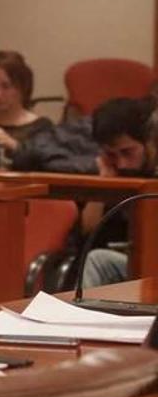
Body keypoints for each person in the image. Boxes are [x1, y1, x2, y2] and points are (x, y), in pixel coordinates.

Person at [80, 97, 156, 288]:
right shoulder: (109, 170)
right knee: (95, 259)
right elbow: (88, 231)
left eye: (127, 152)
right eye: (112, 154)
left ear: (148, 143)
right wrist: (104, 183)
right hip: (127, 264)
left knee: (98, 261)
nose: (121, 163)